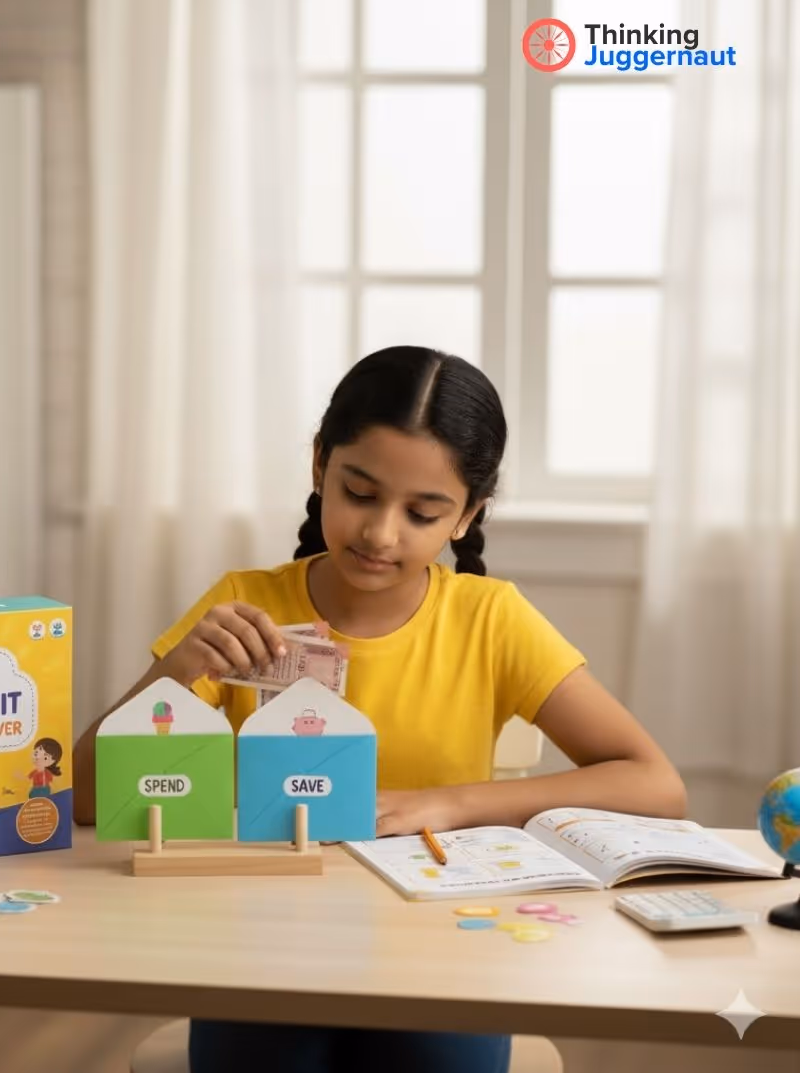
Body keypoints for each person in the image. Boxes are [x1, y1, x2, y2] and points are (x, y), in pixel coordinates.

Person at [72, 346, 686, 1073]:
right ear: (318, 467)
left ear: (468, 516)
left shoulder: (491, 619)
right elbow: (83, 795)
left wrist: (451, 803)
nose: (380, 533)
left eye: (423, 512)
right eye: (359, 493)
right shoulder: (245, 604)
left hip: (441, 944)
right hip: (262, 943)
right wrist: (178, 673)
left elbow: (655, 785)